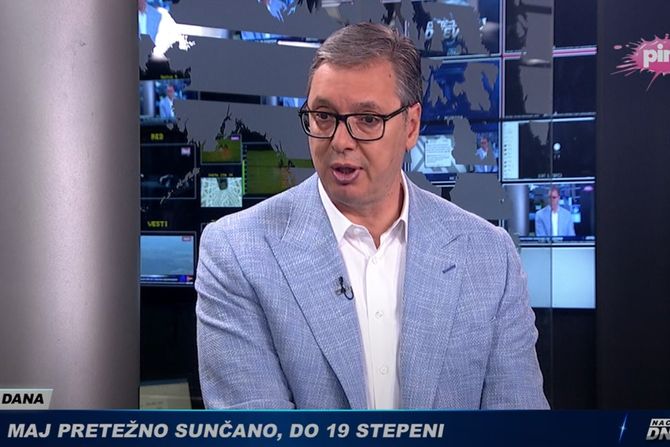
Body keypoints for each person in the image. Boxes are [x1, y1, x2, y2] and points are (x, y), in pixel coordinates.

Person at [196, 23, 548, 410]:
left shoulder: (489, 256)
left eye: (367, 119)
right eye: (323, 116)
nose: (340, 141)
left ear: (410, 126)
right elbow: (257, 431)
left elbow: (518, 427)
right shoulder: (237, 252)